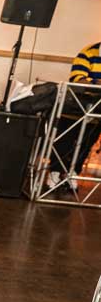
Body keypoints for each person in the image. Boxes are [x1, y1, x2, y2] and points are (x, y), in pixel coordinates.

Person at [47, 41, 101, 190]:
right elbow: (77, 78)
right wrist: (95, 82)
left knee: (87, 143)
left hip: (98, 111)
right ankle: (55, 171)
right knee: (65, 139)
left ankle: (73, 172)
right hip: (77, 105)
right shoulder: (88, 53)